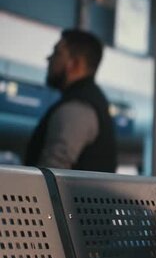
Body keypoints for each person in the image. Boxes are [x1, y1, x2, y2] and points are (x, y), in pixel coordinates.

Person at [24, 29, 117, 172]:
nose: (48, 59)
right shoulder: (92, 101)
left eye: (57, 53)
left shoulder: (77, 107)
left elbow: (51, 175)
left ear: (75, 64)